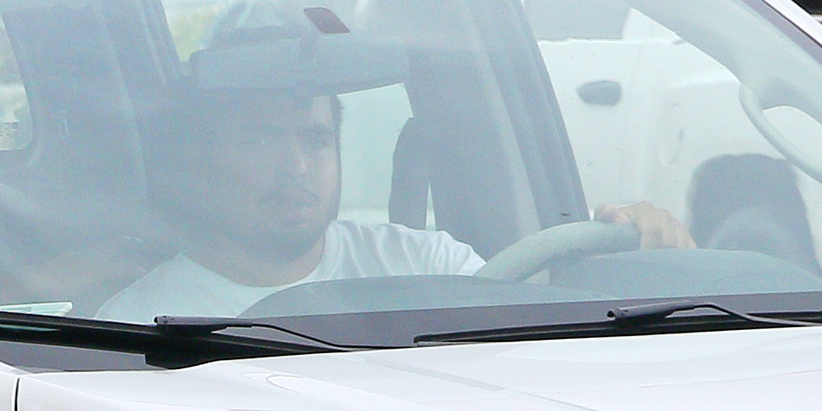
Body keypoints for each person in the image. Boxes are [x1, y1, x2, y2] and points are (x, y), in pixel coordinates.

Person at [101, 83, 689, 322]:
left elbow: (525, 341)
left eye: (315, 139)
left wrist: (640, 249)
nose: (297, 167)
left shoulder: (425, 264)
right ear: (201, 164)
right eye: (260, 139)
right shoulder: (141, 325)